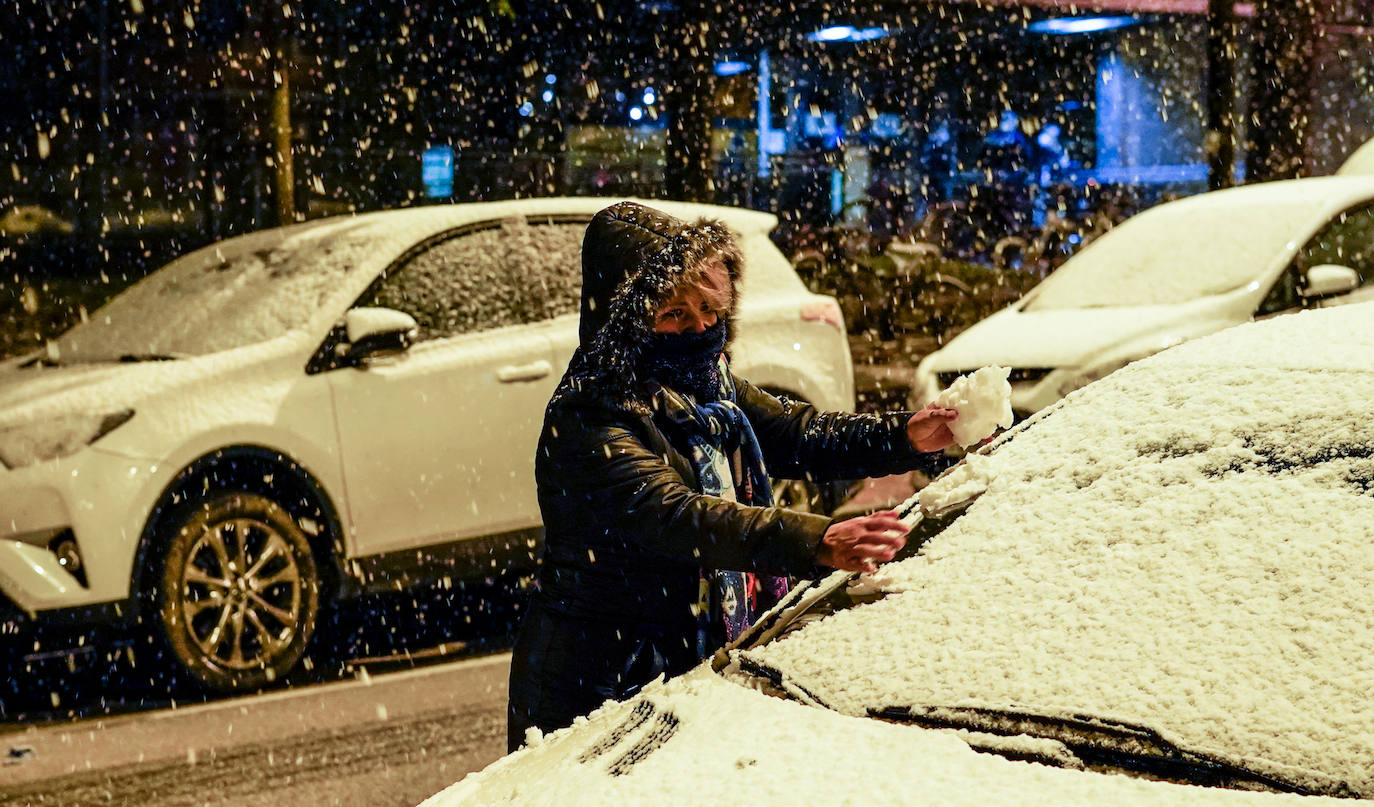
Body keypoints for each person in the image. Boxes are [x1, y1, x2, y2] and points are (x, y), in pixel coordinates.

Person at [506, 201, 958, 751]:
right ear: (626, 324)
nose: (698, 328)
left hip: (677, 661)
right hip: (594, 678)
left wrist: (904, 435)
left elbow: (797, 434)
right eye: (673, 313)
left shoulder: (705, 389)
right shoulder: (592, 415)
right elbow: (677, 516)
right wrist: (816, 539)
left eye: (709, 310)